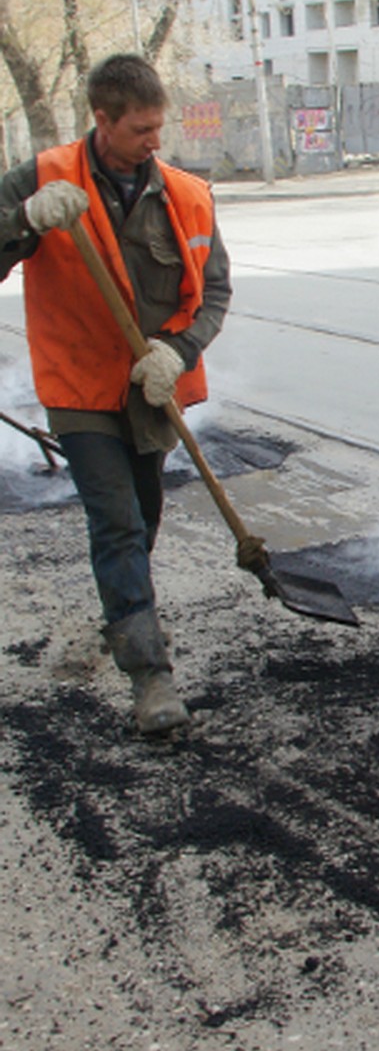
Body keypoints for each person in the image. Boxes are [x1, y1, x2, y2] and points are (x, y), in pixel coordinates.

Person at [0, 54, 232, 734]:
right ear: (101, 122)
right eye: (140, 130)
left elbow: (214, 292)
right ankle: (151, 680)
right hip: (77, 386)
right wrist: (24, 220)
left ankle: (123, 609)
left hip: (149, 386)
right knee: (118, 521)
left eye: (159, 127)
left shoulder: (187, 194)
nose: (154, 142)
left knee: (144, 515)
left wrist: (178, 351)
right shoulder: (43, 179)